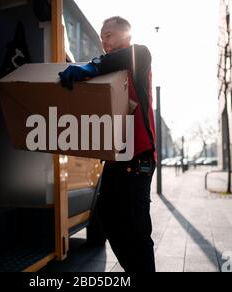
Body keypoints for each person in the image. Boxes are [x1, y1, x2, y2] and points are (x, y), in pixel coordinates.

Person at [59, 16, 157, 272]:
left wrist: (90, 67)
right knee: (108, 218)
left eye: (109, 35)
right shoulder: (108, 69)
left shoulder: (138, 56)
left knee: (136, 231)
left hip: (138, 159)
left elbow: (121, 57)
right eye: (102, 37)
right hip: (115, 159)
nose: (104, 41)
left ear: (126, 34)